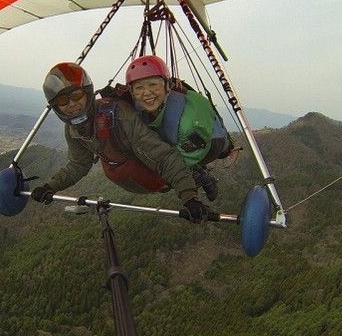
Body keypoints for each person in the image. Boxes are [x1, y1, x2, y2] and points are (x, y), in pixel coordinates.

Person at [30, 62, 212, 223]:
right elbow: (79, 164)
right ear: (56, 106)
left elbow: (163, 157)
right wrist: (51, 187)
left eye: (76, 96)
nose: (71, 104)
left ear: (87, 93)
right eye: (62, 100)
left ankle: (196, 175)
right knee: (145, 180)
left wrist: (189, 199)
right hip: (124, 172)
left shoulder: (119, 116)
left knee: (163, 182)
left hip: (148, 167)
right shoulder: (74, 129)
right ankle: (190, 177)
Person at [125, 55, 233, 202]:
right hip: (176, 132)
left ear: (166, 85)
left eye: (153, 85)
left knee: (167, 175)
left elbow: (175, 164)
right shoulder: (144, 104)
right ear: (132, 92)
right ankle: (198, 174)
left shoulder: (189, 122)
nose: (146, 93)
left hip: (212, 142)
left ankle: (203, 177)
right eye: (139, 88)